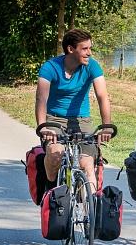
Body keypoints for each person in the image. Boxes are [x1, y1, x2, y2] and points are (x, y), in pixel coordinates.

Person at [35, 29, 112, 192]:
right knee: (55, 154)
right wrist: (43, 126)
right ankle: (49, 191)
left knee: (87, 164)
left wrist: (106, 125)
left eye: (90, 48)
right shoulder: (50, 67)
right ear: (71, 49)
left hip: (81, 120)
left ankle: (91, 210)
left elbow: (102, 96)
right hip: (54, 119)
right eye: (85, 49)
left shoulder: (92, 66)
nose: (89, 53)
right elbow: (41, 99)